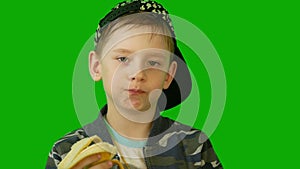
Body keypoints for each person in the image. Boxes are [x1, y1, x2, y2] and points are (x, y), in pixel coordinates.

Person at [46, 0, 223, 168]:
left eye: (153, 62)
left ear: (168, 75)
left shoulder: (195, 145)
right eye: (122, 58)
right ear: (96, 66)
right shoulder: (66, 150)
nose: (138, 74)